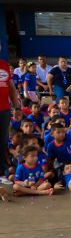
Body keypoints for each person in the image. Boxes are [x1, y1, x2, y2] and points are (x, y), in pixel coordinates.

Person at [0, 43, 20, 186]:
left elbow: (11, 88)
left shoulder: (4, 65)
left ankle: (1, 173)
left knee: (1, 142)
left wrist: (16, 106)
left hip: (4, 110)